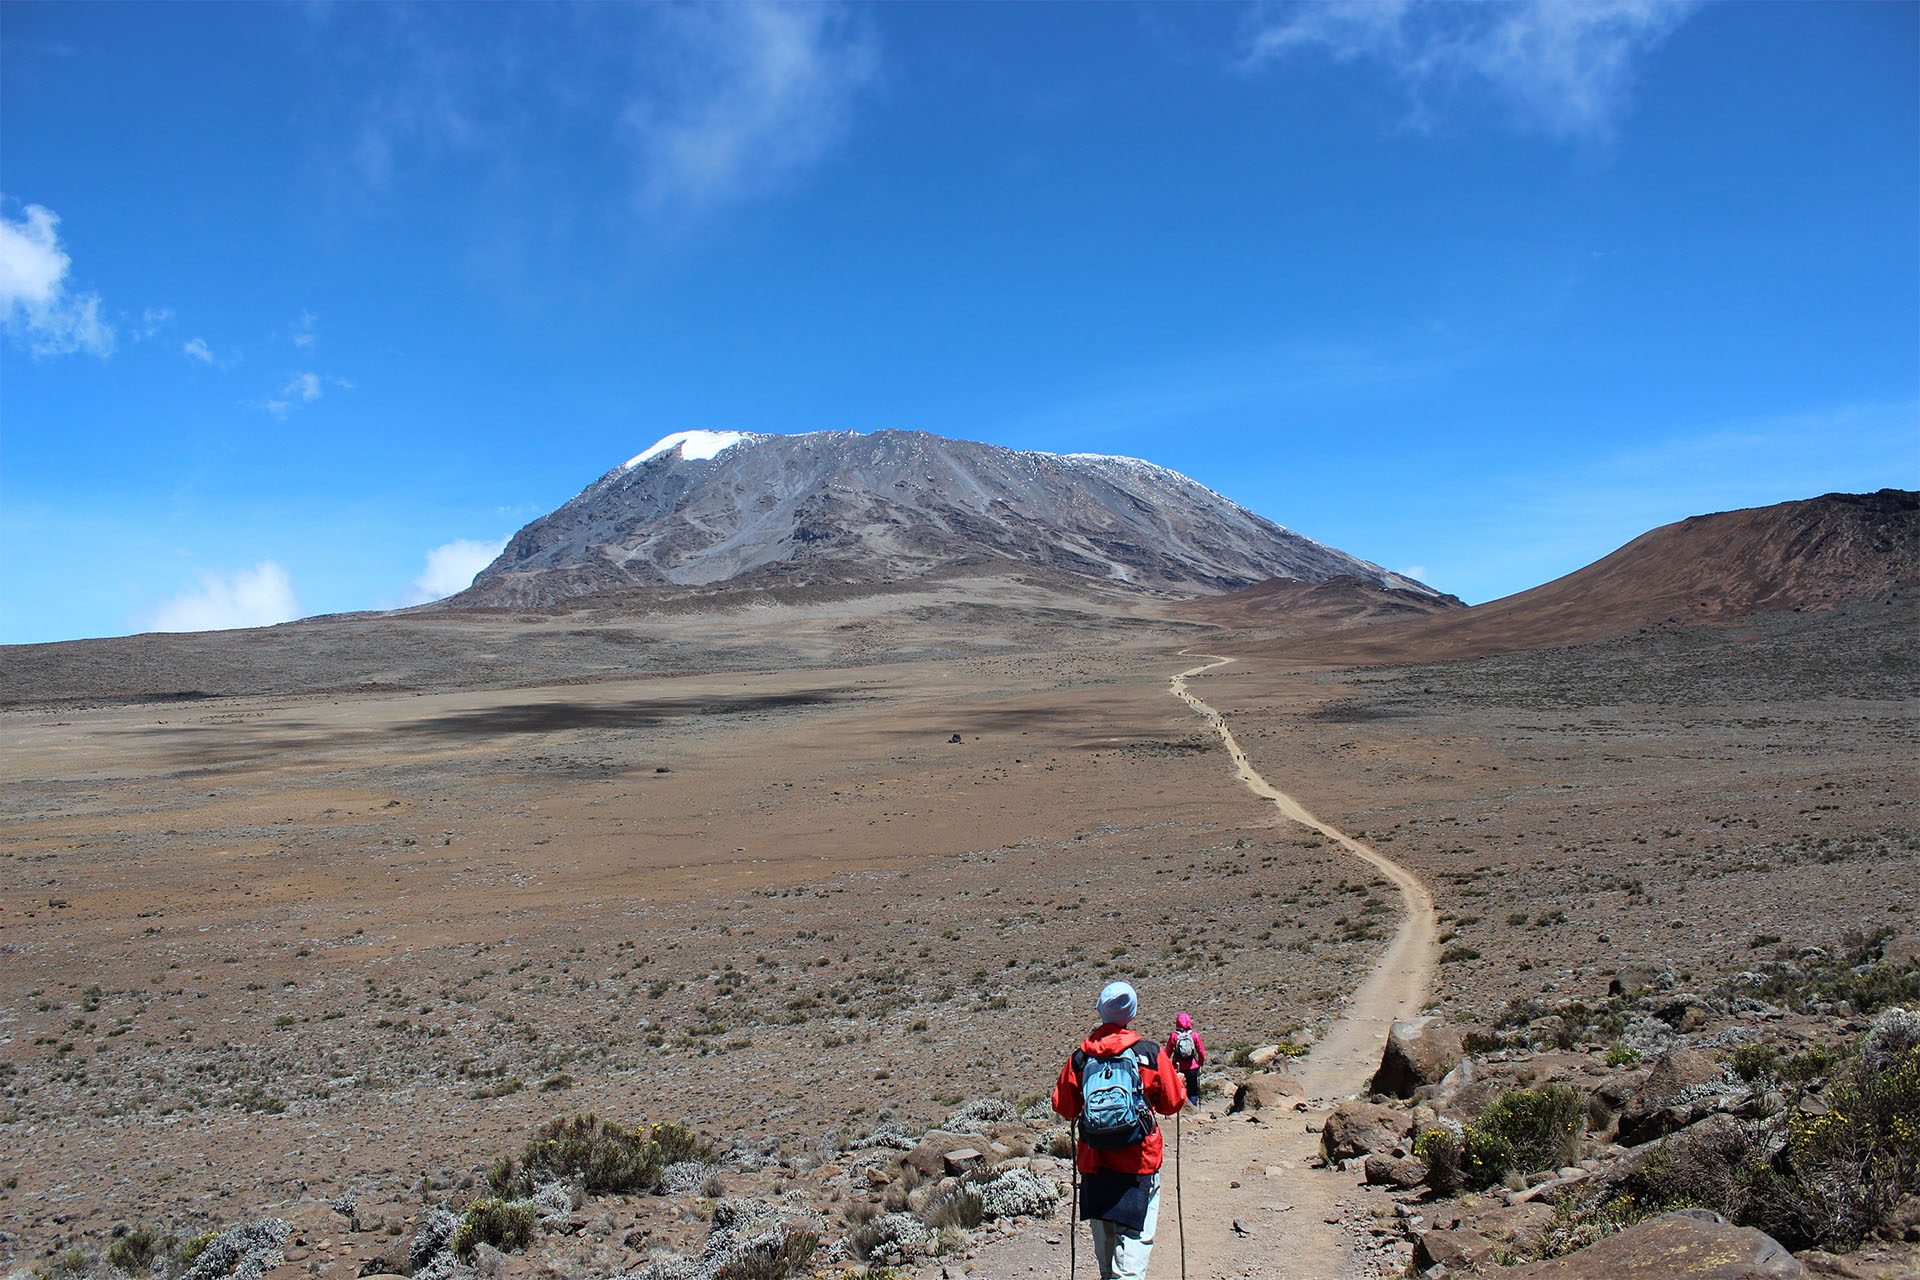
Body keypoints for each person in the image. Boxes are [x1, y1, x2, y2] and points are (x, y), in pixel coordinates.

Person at [1052, 980, 1187, 1280]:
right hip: (1139, 1165)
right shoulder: (1149, 1054)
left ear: (1101, 1011)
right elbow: (1173, 1103)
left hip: (1095, 1166)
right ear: (1132, 1012)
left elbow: (1063, 1106)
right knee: (1132, 1255)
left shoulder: (1080, 1058)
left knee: (1106, 1252)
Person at [1165, 1011, 1205, 1105]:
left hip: (1178, 1067)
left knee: (1179, 1089)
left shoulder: (1174, 1036)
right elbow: (1201, 1052)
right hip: (1193, 1066)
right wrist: (1200, 1062)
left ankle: (1180, 1108)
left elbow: (1167, 1053)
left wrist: (1167, 1066)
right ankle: (1193, 1108)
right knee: (1193, 1091)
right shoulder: (1194, 1035)